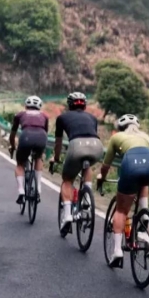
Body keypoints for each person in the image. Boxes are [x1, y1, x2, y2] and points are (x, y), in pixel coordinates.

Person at [97, 114, 149, 267]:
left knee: (121, 210)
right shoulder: (145, 138)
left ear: (120, 128)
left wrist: (102, 177)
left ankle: (117, 251)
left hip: (131, 166)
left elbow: (106, 165)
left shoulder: (117, 137)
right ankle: (144, 212)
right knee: (143, 181)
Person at [50, 92, 104, 234]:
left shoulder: (62, 118)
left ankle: (68, 215)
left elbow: (58, 142)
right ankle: (87, 198)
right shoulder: (92, 118)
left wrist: (56, 157)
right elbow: (91, 134)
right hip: (97, 146)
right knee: (87, 165)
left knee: (67, 180)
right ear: (84, 105)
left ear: (69, 105)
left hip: (76, 145)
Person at [9, 96, 49, 204]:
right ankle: (38, 189)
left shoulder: (20, 115)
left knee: (20, 164)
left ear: (26, 106)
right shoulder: (44, 116)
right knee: (38, 158)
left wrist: (12, 146)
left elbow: (12, 134)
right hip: (41, 137)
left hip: (26, 137)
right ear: (39, 107)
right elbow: (45, 132)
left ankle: (21, 191)